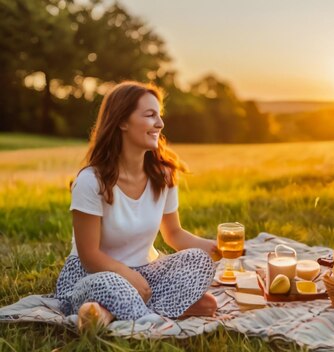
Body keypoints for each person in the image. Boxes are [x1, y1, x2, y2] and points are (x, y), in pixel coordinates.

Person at [54, 81, 222, 330]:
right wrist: (129, 277)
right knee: (111, 285)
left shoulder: (164, 175)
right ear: (122, 122)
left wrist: (215, 248)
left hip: (146, 272)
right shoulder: (90, 181)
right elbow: (89, 257)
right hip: (93, 275)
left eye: (160, 116)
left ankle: (105, 313)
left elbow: (173, 234)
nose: (160, 124)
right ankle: (146, 319)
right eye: (150, 115)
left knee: (198, 262)